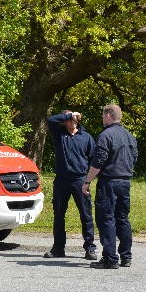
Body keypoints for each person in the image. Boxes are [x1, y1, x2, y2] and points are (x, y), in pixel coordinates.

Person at [82, 104, 138, 269]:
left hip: (109, 182)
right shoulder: (130, 136)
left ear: (108, 116)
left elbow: (98, 162)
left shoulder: (105, 136)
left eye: (103, 115)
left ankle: (110, 258)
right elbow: (134, 158)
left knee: (106, 219)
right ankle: (126, 257)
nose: (102, 119)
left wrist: (87, 182)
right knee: (123, 218)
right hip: (125, 181)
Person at [43, 111, 98, 260]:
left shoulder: (86, 137)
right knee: (59, 215)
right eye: (69, 119)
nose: (73, 121)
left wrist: (88, 180)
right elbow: (50, 120)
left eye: (75, 119)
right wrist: (68, 115)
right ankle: (58, 248)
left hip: (80, 180)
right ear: (64, 121)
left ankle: (90, 248)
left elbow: (94, 159)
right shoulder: (59, 135)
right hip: (61, 180)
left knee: (86, 215)